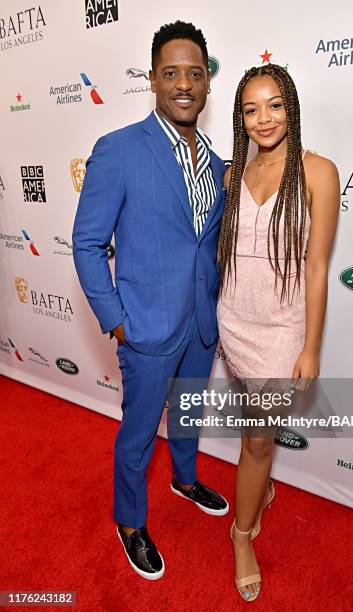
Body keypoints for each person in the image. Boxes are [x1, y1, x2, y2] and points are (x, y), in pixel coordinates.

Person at [72, 21, 229, 581]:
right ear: (153, 80)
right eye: (171, 73)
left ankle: (184, 478)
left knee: (187, 415)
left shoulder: (218, 163)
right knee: (138, 433)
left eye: (194, 73)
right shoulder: (118, 150)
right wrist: (116, 320)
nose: (183, 83)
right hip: (145, 327)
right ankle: (129, 520)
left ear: (208, 82)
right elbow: (88, 243)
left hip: (200, 323)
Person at [217, 64, 340, 601]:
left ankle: (240, 535)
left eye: (274, 105)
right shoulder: (232, 174)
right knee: (257, 436)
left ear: (291, 107)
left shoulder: (318, 172)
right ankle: (260, 491)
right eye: (250, 109)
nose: (263, 119)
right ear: (240, 118)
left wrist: (310, 347)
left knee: (257, 439)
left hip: (281, 329)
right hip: (234, 321)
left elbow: (316, 267)